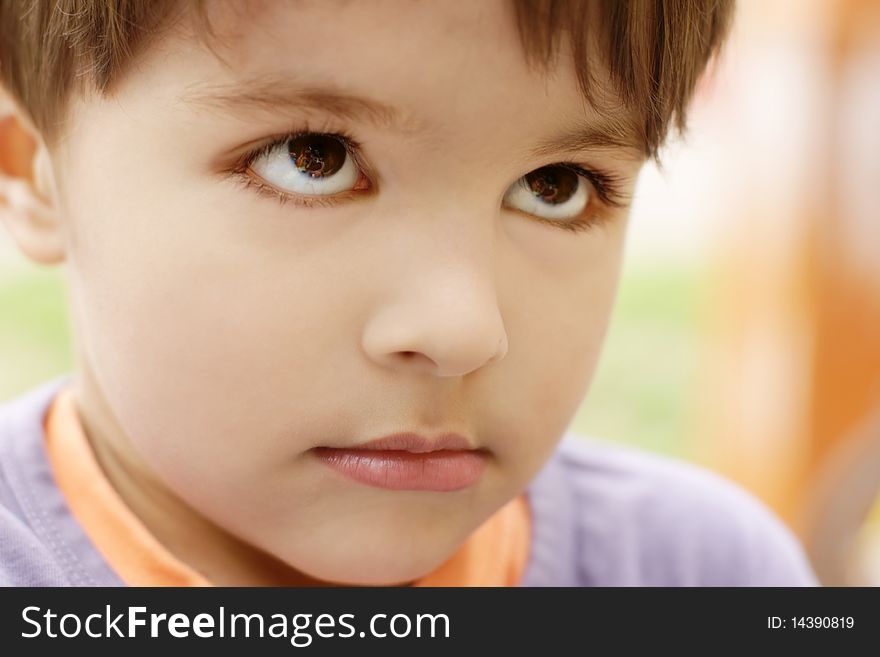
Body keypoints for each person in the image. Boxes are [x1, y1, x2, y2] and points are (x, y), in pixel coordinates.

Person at [0, 0, 817, 586]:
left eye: (557, 185)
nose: (463, 329)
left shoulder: (706, 573)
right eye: (312, 157)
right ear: (34, 174)